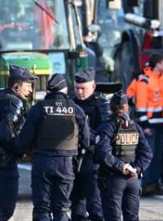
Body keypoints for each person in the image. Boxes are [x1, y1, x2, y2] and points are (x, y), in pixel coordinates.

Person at [16, 74, 90, 221]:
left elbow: (23, 140)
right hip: (67, 163)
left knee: (42, 209)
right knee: (62, 209)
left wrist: (26, 152)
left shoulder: (38, 109)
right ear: (65, 90)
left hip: (42, 162)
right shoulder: (76, 110)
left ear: (48, 91)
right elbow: (86, 141)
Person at [0, 64, 36, 221]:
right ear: (16, 86)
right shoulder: (15, 103)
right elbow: (7, 135)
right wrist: (22, 150)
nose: (31, 90)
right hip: (4, 160)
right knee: (5, 210)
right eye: (28, 86)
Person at [125, 53, 163, 195]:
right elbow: (140, 106)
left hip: (161, 125)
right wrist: (145, 126)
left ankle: (154, 183)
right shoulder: (144, 81)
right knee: (149, 155)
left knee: (158, 155)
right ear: (158, 65)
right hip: (150, 125)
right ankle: (147, 183)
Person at [96, 91, 153, 221]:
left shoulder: (107, 127)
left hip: (113, 179)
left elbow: (103, 153)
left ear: (111, 107)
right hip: (133, 179)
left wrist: (121, 166)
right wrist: (137, 169)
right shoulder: (136, 127)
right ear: (127, 107)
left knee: (113, 217)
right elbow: (147, 154)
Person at [70, 68, 111, 221]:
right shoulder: (70, 103)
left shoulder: (100, 103)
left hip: (92, 159)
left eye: (83, 88)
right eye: (77, 88)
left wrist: (87, 135)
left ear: (93, 87)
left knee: (95, 205)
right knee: (76, 205)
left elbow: (107, 130)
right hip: (72, 158)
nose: (79, 92)